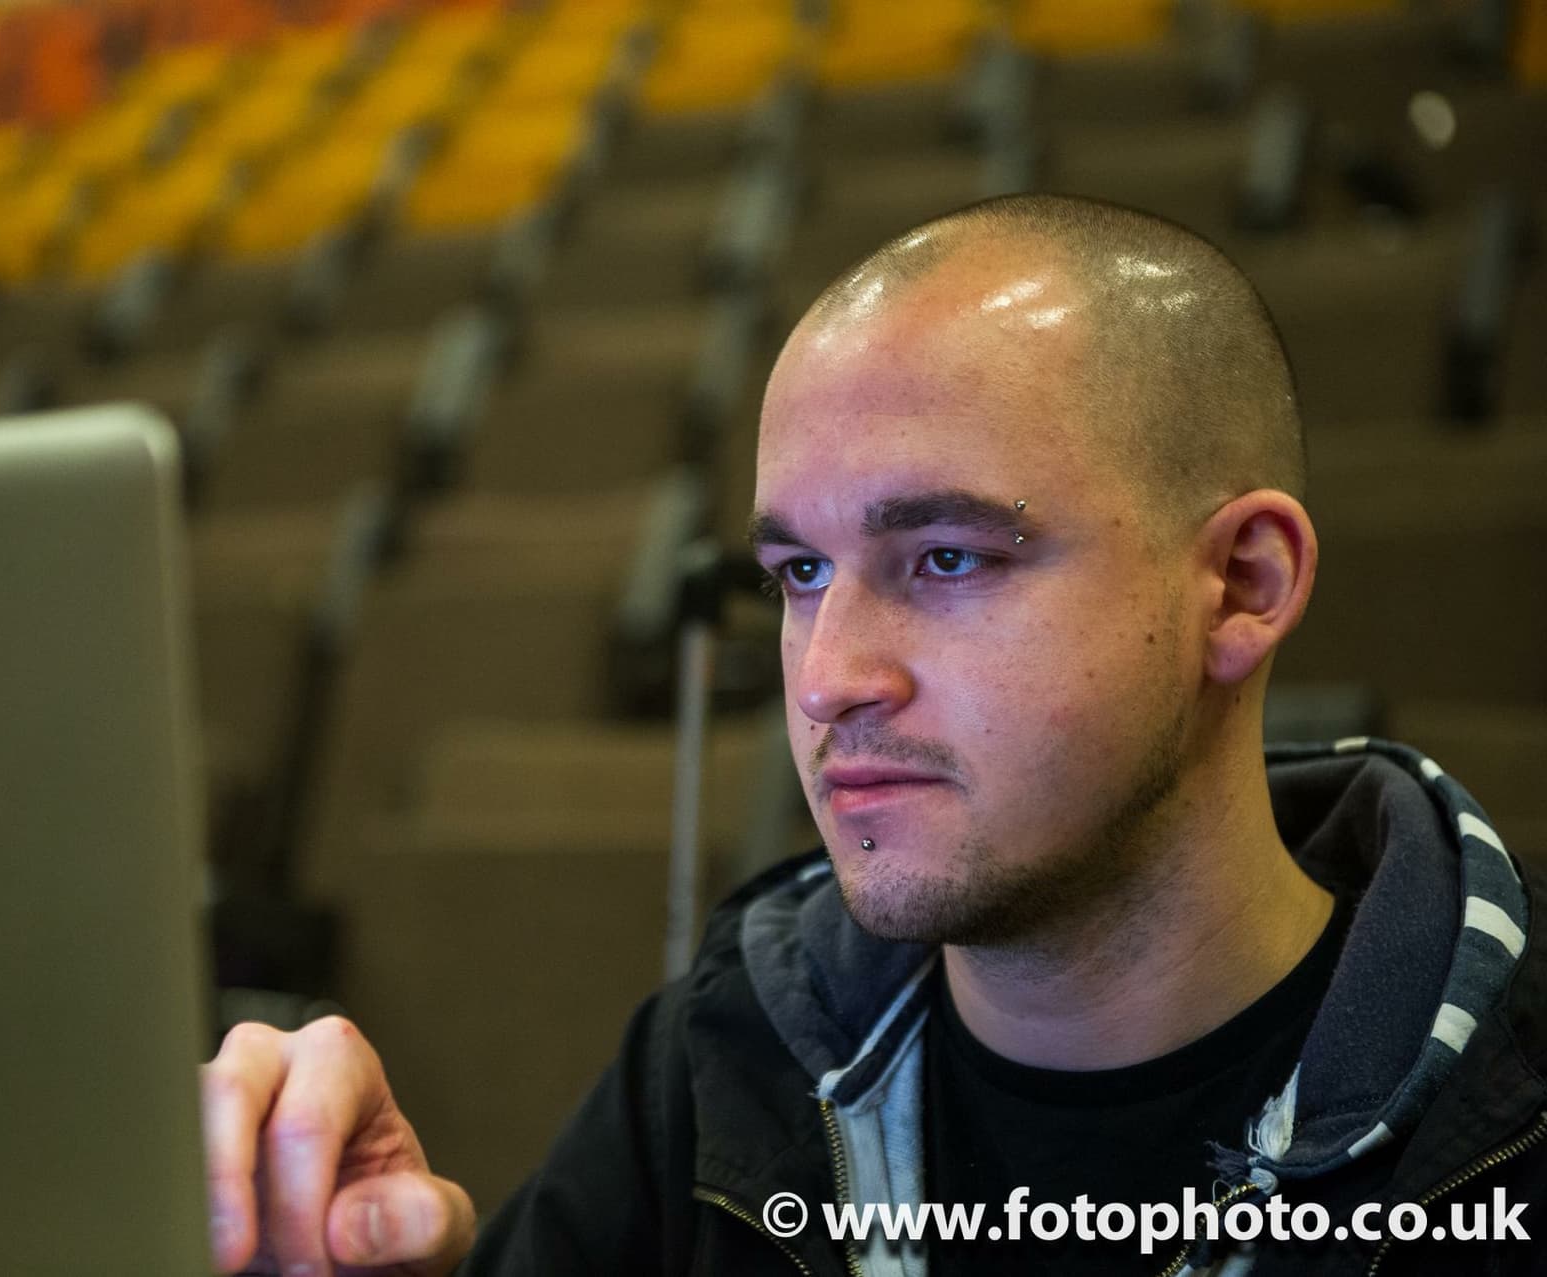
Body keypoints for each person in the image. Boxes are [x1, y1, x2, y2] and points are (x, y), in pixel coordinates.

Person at [198, 193, 1546, 1276]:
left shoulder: (1510, 1107)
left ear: (1242, 584)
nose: (828, 678)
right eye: (799, 574)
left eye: (948, 558)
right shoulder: (733, 1051)